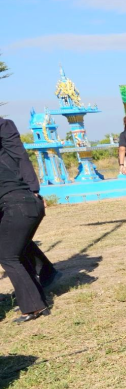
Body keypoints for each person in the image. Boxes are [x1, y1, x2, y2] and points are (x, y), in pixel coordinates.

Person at [0, 115, 50, 322]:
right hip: (22, 201)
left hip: (18, 203)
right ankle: (42, 285)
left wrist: (34, 188)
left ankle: (33, 307)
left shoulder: (4, 126)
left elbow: (21, 156)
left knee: (8, 255)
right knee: (15, 251)